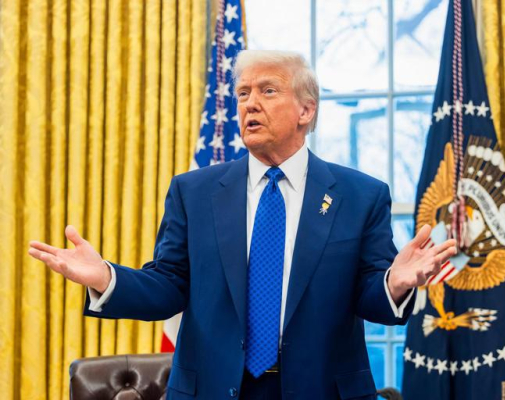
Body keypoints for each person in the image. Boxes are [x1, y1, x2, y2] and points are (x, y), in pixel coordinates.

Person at [29, 50, 457, 400]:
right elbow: (169, 286)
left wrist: (395, 283)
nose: (250, 103)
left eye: (268, 91)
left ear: (306, 110)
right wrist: (107, 277)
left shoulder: (360, 195)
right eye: (243, 93)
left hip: (321, 390)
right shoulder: (193, 192)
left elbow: (370, 296)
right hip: (214, 389)